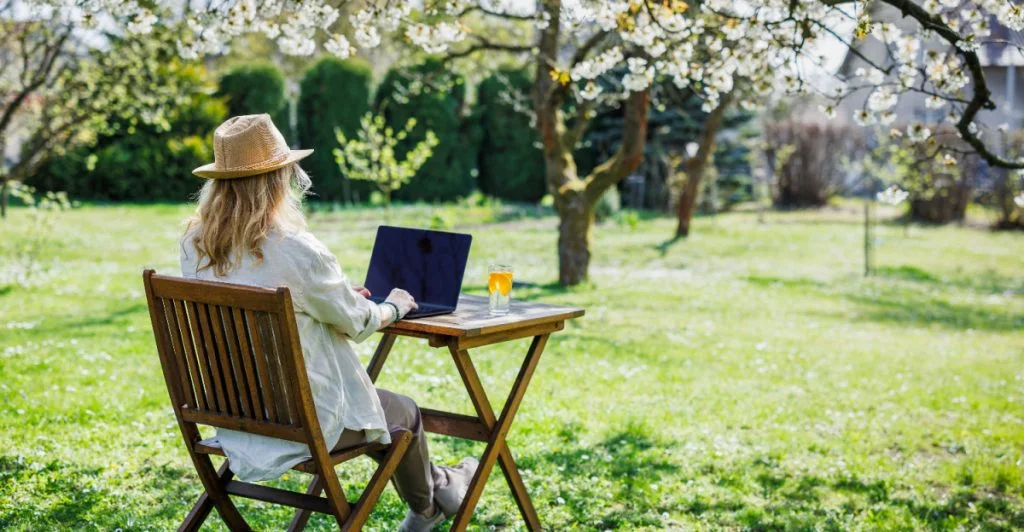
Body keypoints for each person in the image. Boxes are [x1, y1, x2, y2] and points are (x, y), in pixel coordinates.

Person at [180, 114, 476, 531]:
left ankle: (443, 485)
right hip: (304, 422)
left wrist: (332, 297)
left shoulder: (194, 245)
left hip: (236, 418)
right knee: (402, 414)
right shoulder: (295, 249)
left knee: (381, 414)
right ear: (278, 180)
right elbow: (358, 323)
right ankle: (429, 506)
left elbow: (286, 293)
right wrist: (393, 305)